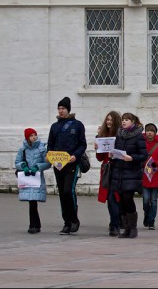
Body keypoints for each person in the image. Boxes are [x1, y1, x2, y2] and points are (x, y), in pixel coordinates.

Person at [47, 96, 87, 235]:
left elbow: (82, 144)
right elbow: (50, 145)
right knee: (61, 194)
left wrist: (75, 155)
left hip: (71, 163)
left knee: (68, 191)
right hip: (58, 164)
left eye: (63, 108)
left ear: (68, 109)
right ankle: (66, 222)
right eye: (59, 108)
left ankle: (74, 219)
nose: (61, 111)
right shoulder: (55, 126)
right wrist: (50, 156)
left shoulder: (77, 125)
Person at [110, 112, 148, 239]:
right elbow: (116, 152)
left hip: (132, 173)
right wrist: (112, 155)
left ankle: (133, 228)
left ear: (132, 122)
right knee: (120, 201)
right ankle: (126, 228)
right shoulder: (119, 135)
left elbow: (144, 155)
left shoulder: (138, 136)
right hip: (119, 173)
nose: (124, 122)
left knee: (127, 198)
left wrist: (131, 158)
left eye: (127, 120)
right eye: (123, 120)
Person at [15, 128, 51, 234]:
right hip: (27, 177)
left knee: (33, 201)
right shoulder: (23, 149)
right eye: (31, 135)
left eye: (35, 135)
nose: (33, 137)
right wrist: (23, 166)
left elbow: (48, 163)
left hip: (36, 177)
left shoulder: (41, 148)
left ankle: (34, 225)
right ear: (27, 137)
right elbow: (17, 162)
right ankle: (34, 225)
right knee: (31, 201)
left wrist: (37, 167)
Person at [94, 111, 122, 236]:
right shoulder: (103, 135)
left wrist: (114, 152)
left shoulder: (121, 135)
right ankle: (114, 223)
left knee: (115, 198)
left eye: (111, 120)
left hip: (118, 168)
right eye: (107, 120)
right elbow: (100, 158)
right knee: (110, 198)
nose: (108, 122)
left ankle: (116, 223)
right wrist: (97, 148)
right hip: (107, 169)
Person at [142, 123, 158, 230]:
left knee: (154, 200)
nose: (149, 132)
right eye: (147, 130)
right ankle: (147, 215)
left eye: (151, 131)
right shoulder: (141, 143)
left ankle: (151, 221)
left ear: (155, 133)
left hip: (155, 175)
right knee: (146, 200)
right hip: (144, 175)